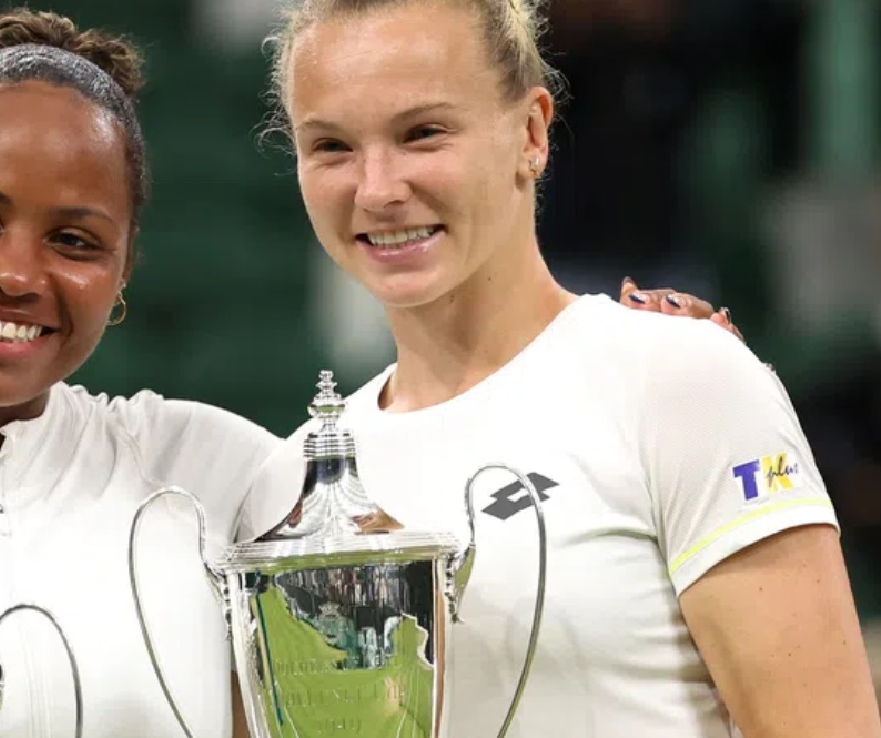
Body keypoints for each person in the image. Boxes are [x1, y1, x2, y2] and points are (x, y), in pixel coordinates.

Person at [0, 6, 745, 738]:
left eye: (76, 240)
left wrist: (626, 355)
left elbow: (475, 508)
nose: (15, 272)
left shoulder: (227, 477)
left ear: (125, 274)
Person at [236, 1, 880, 737]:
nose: (377, 188)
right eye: (332, 148)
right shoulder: (286, 488)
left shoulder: (681, 383)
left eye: (423, 134)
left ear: (532, 133)